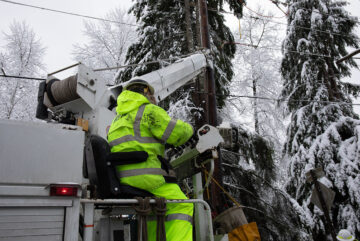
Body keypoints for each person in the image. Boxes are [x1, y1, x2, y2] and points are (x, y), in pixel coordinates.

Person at [107, 79, 194, 241]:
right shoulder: (148, 111)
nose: (153, 98)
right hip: (148, 178)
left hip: (123, 179)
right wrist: (191, 129)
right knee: (182, 205)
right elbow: (177, 133)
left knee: (155, 211)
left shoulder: (116, 120)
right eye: (151, 95)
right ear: (145, 92)